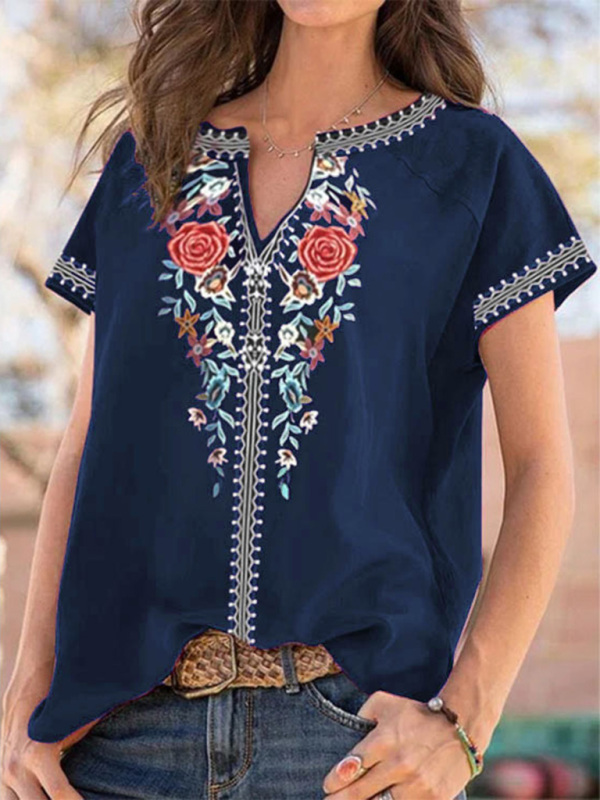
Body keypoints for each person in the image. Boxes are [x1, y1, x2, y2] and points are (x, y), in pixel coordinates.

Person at [2, 0, 597, 798]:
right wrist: (29, 685)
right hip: (119, 740)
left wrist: (465, 721)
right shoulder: (153, 155)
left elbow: (541, 467)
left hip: (351, 740)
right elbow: (86, 442)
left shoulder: (472, 165)